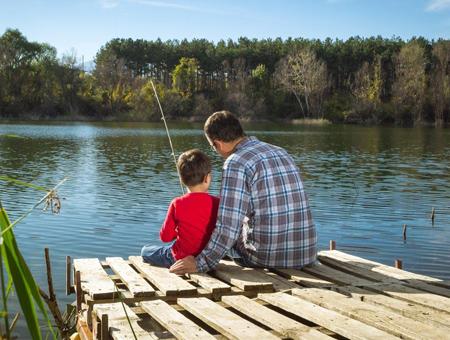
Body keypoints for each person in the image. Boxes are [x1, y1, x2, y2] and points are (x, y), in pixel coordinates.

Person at [170, 110, 317, 274]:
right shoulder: (281, 151)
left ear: (217, 143)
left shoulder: (236, 162)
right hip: (305, 254)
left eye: (213, 147)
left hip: (265, 258)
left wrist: (200, 263)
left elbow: (228, 226)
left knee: (214, 227)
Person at [141, 149, 220, 268]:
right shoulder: (218, 203)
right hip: (206, 258)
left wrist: (178, 231)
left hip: (179, 258)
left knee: (145, 251)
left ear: (182, 179)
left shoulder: (177, 203)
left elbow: (165, 237)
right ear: (207, 178)